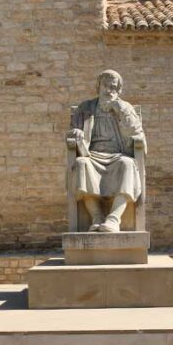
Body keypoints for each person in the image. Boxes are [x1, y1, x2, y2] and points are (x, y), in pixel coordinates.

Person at [67, 70, 146, 232]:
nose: (109, 90)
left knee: (128, 165)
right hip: (91, 155)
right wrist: (77, 133)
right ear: (98, 87)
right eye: (105, 86)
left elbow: (137, 133)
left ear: (119, 91)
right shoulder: (85, 108)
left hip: (118, 155)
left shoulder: (125, 108)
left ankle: (113, 219)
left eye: (113, 87)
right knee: (81, 164)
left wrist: (120, 109)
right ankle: (97, 217)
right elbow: (72, 131)